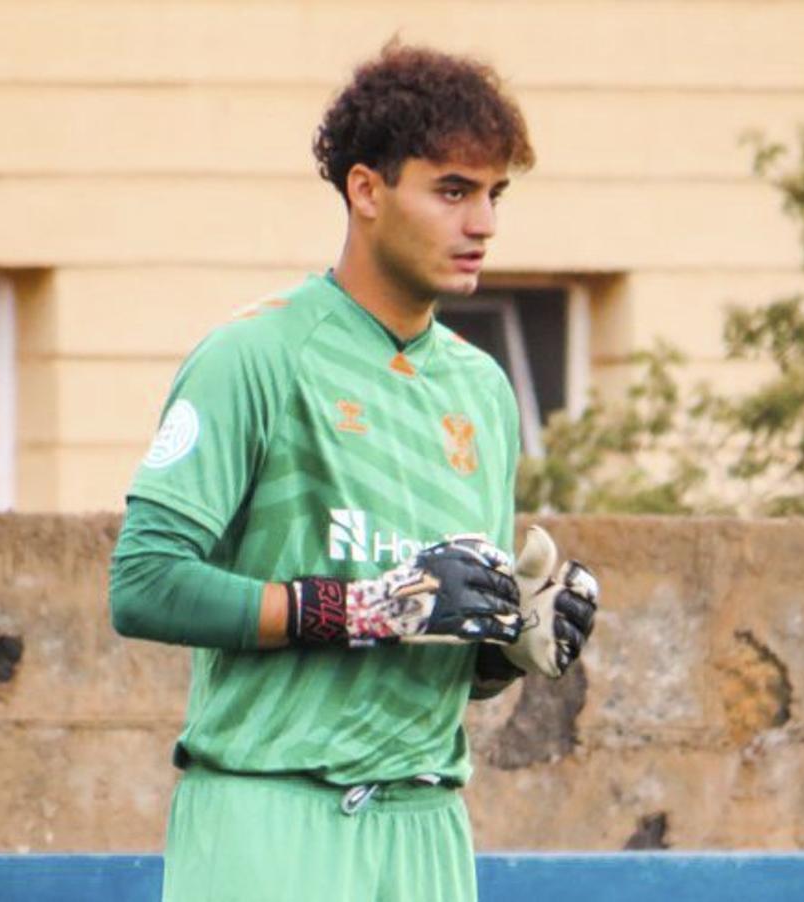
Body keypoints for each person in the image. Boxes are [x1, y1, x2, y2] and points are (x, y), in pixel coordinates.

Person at [109, 41, 598, 902]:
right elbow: (143, 584)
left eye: (494, 195)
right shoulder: (253, 357)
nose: (481, 223)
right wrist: (363, 607)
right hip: (271, 814)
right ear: (366, 190)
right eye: (452, 190)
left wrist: (509, 648)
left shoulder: (482, 392)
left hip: (427, 826)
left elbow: (432, 643)